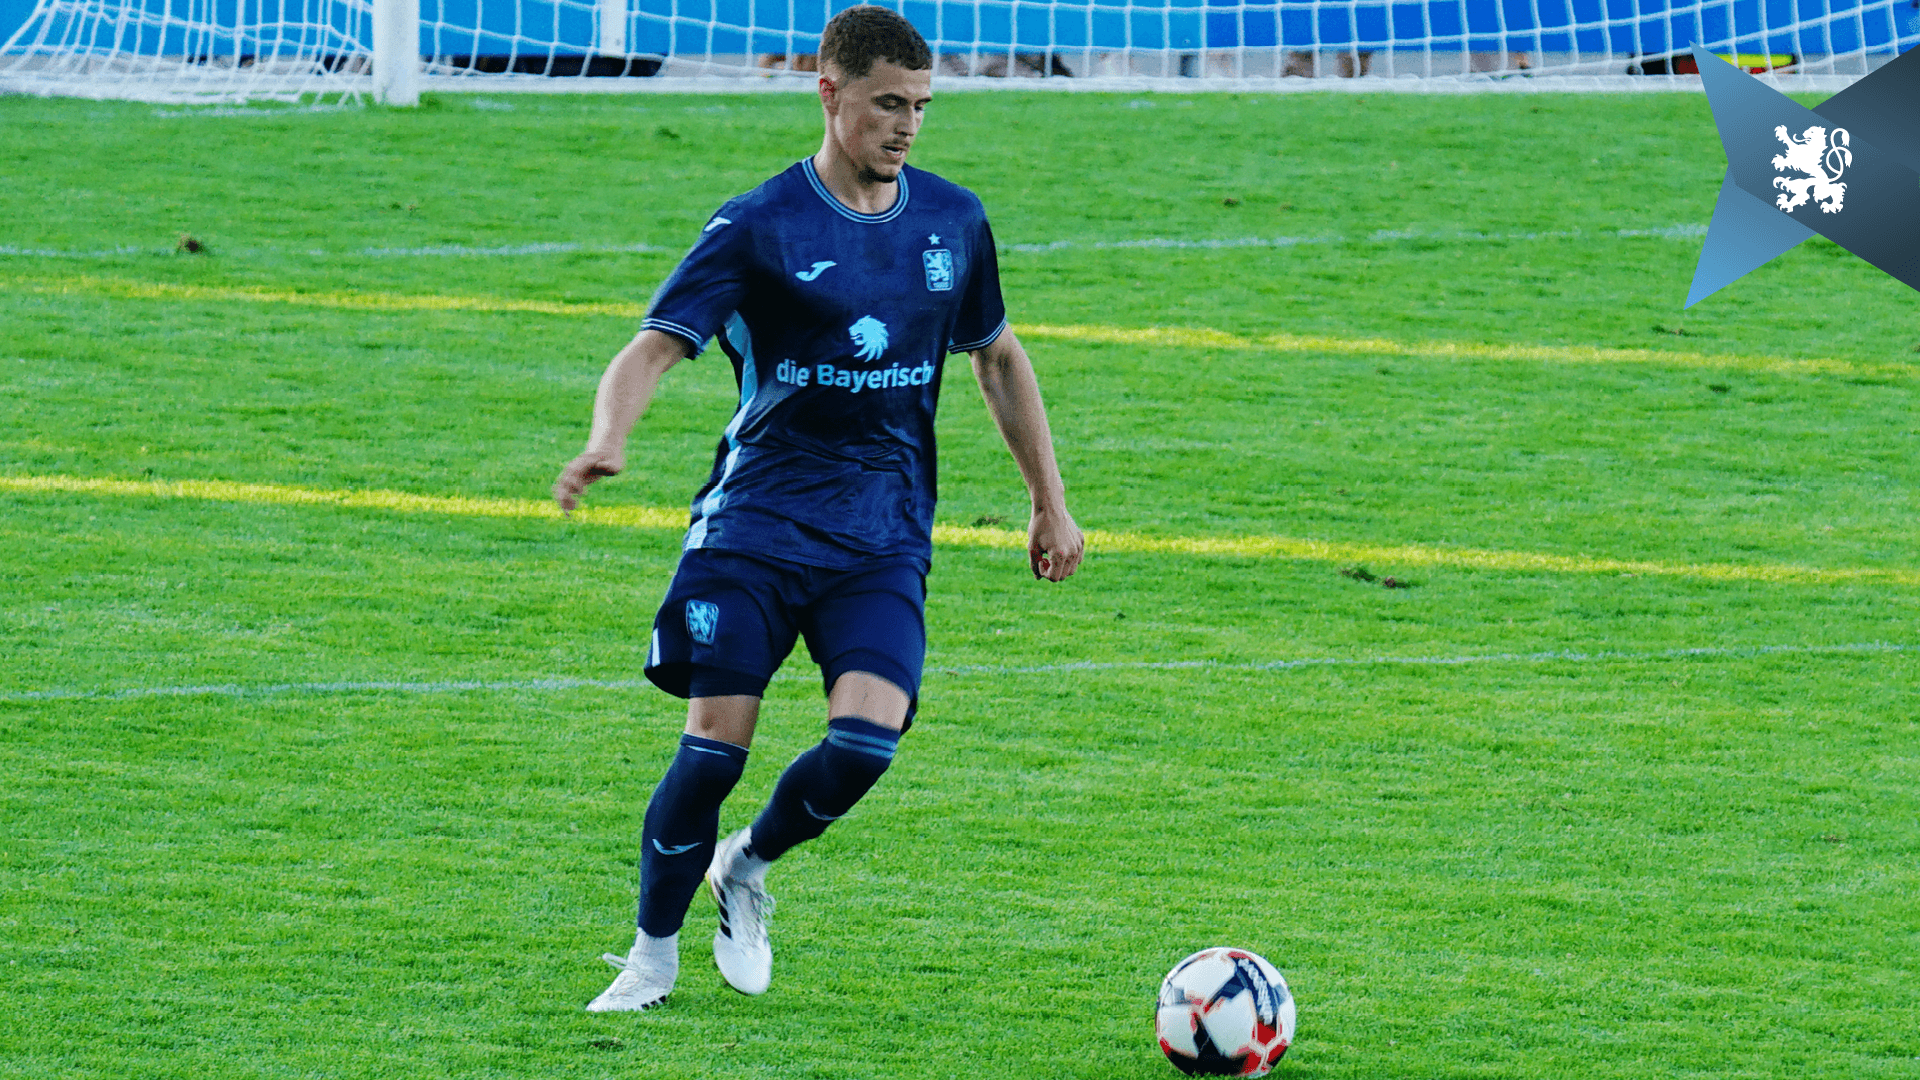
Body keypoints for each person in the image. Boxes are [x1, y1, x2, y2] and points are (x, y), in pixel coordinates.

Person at [551, 4, 1085, 1013]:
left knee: (865, 744)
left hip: (882, 534)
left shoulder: (953, 221)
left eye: (922, 107)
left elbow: (999, 358)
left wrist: (1048, 504)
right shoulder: (758, 224)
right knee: (714, 749)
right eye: (889, 104)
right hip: (753, 528)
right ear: (829, 93)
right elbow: (653, 345)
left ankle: (747, 868)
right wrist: (608, 437)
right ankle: (650, 957)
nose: (907, 126)